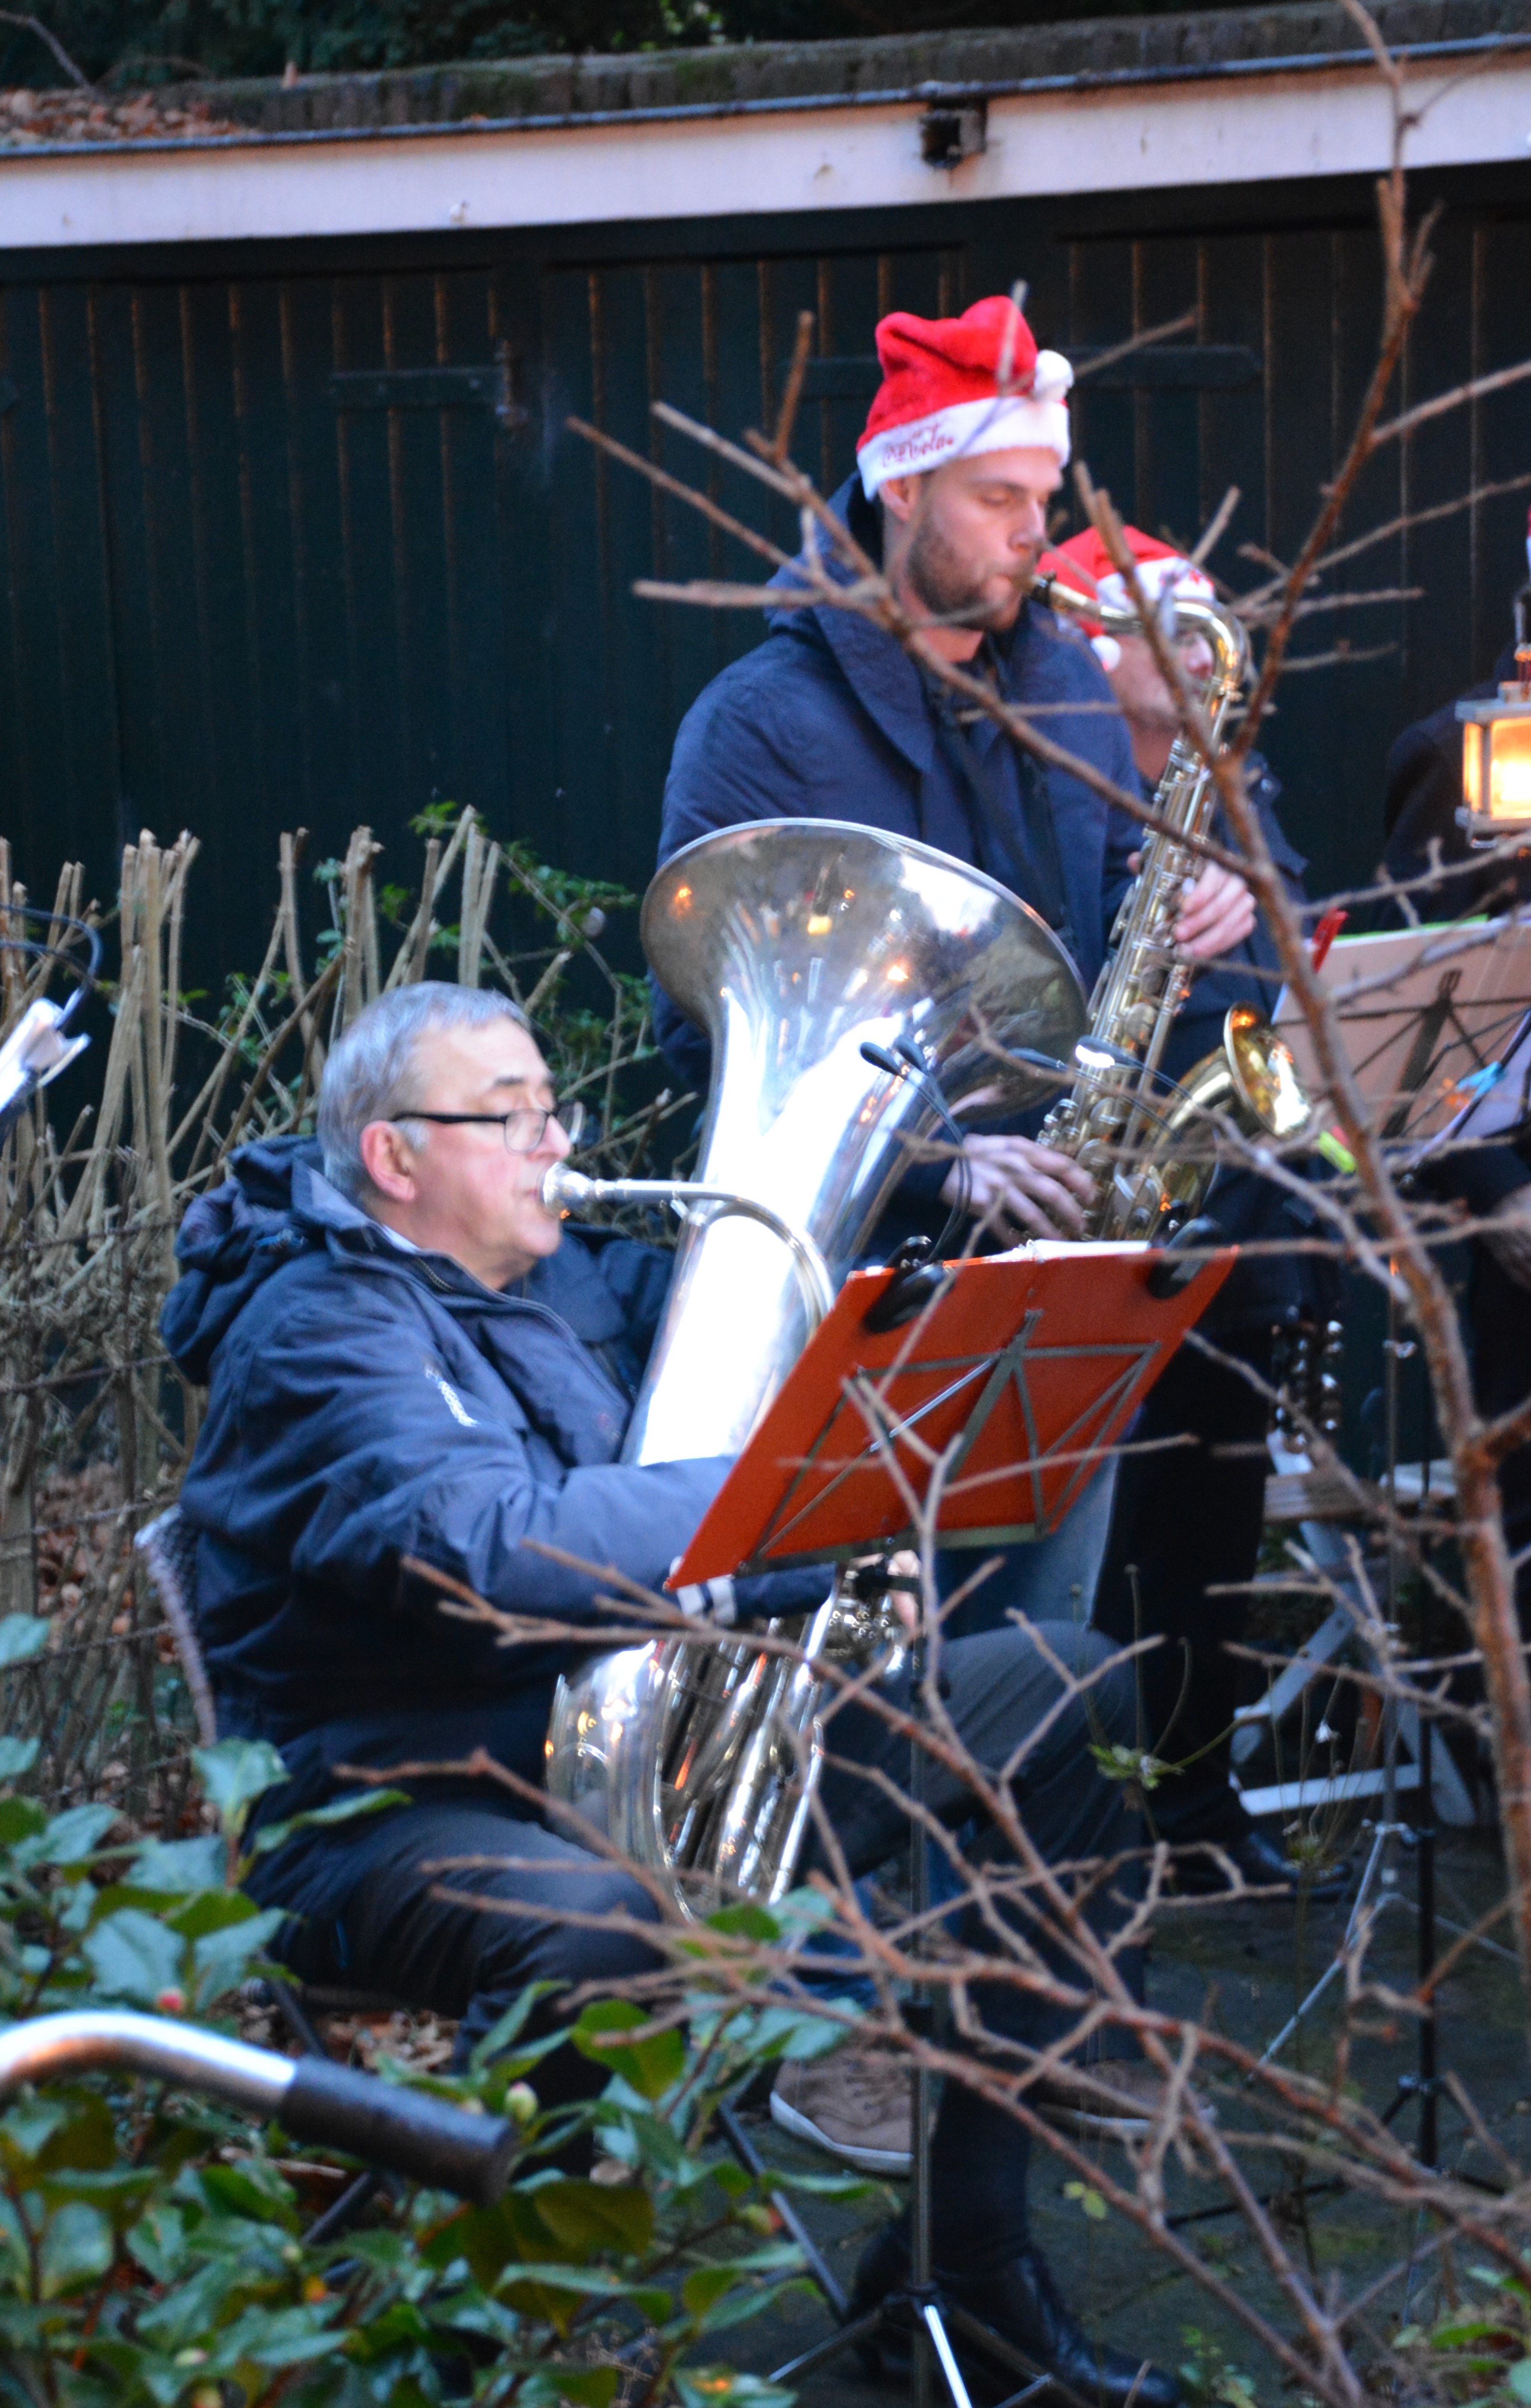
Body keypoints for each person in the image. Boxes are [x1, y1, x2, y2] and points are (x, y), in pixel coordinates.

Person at [160, 979, 1183, 2408]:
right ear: (395, 1156)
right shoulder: (317, 1328)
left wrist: (938, 1333)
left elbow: (810, 1367)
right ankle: (452, 2345)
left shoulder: (572, 1280)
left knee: (1058, 1694)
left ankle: (969, 2264)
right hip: (388, 1808)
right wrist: (791, 1513)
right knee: (607, 1919)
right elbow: (490, 1550)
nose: (554, 1142)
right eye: (508, 1117)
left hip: (638, 1756)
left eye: (553, 1108)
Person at [654, 294, 1263, 2163]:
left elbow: (1102, 931)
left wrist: (1205, 919)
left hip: (1049, 1256)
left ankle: (1003, 2031)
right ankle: (830, 2015)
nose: (1037, 533)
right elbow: (715, 1016)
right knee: (860, 1662)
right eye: (1003, 499)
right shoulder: (760, 721)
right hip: (849, 1262)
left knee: (1036, 1661)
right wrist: (941, 1166)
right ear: (903, 491)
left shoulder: (1066, 686)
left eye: (1042, 495)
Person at [1041, 528, 1336, 1893]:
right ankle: (1082, 1823)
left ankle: (1200, 1804)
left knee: (1213, 1535)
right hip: (1100, 1214)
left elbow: (1291, 977)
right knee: (1093, 1544)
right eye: (1167, 614)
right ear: (1091, 642)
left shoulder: (1237, 784)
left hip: (1235, 1220)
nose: (1202, 638)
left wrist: (1251, 897)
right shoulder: (1053, 777)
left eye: (1208, 615)